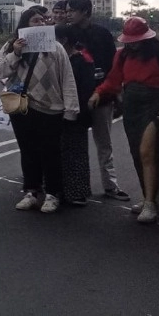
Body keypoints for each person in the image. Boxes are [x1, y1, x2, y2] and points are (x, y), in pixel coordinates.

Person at [0, 8, 80, 213]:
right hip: (21, 107)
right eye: (34, 21)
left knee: (50, 151)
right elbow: (0, 72)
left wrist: (71, 108)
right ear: (25, 24)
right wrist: (16, 53)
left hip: (50, 107)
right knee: (28, 150)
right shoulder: (10, 46)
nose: (40, 24)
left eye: (43, 21)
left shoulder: (55, 47)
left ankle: (52, 193)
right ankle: (31, 191)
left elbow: (67, 78)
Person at [89, 17, 159, 215]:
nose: (132, 45)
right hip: (131, 106)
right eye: (129, 42)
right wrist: (99, 92)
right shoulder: (122, 55)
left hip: (156, 104)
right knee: (136, 153)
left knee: (147, 152)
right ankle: (149, 197)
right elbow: (114, 80)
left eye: (135, 41)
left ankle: (150, 203)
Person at [67, 0, 130, 201]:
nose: (68, 14)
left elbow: (114, 67)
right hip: (73, 98)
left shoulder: (102, 34)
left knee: (104, 143)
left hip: (101, 96)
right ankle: (78, 188)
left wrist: (112, 93)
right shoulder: (66, 33)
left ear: (85, 11)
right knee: (76, 145)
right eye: (67, 11)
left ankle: (111, 186)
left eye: (72, 10)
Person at [56, 24, 96, 206]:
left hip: (75, 114)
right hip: (56, 112)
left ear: (63, 40)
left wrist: (72, 109)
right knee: (58, 152)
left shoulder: (82, 61)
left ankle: (77, 192)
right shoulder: (57, 58)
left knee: (76, 153)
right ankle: (59, 189)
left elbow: (85, 91)